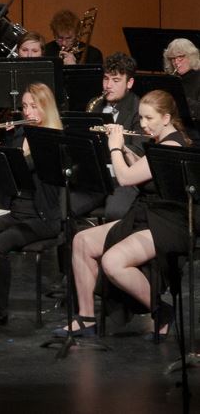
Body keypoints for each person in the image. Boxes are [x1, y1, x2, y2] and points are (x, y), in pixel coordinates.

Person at [54, 90, 189, 340]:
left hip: (168, 223)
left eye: (149, 118)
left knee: (113, 262)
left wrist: (115, 148)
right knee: (82, 241)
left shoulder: (171, 145)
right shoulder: (160, 142)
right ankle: (86, 318)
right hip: (146, 214)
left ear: (167, 118)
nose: (144, 124)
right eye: (141, 118)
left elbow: (126, 178)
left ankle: (161, 309)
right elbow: (147, 172)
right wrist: (127, 151)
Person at [0, 83, 63, 327]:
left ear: (46, 108)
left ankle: (1, 310)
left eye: (34, 107)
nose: (28, 112)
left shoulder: (52, 139)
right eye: (25, 106)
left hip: (41, 218)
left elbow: (19, 171)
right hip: (16, 213)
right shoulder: (20, 135)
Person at [72, 52, 144, 222]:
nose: (108, 85)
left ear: (130, 83)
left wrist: (114, 145)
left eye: (116, 80)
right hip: (97, 178)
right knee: (65, 207)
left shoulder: (139, 109)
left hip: (124, 179)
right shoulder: (95, 105)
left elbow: (138, 151)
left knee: (115, 213)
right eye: (106, 79)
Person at [163, 38, 200, 119]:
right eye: (173, 58)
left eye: (180, 56)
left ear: (191, 56)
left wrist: (180, 98)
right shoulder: (174, 80)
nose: (176, 62)